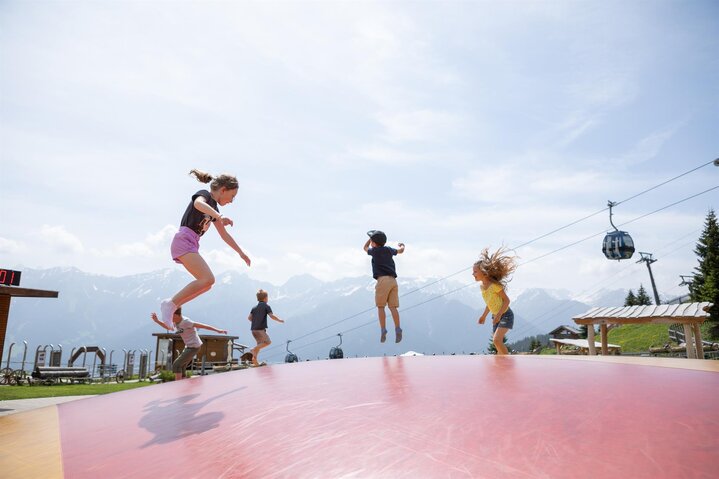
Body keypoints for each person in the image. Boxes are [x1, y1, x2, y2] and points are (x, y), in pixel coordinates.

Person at [158, 169, 251, 328]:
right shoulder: (205, 195)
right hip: (183, 240)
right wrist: (219, 216)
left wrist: (241, 253)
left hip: (192, 243)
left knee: (207, 284)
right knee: (208, 279)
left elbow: (224, 235)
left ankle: (172, 305)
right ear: (223, 190)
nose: (232, 201)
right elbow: (198, 204)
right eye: (232, 196)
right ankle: (170, 304)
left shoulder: (214, 209)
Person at [151, 307, 227, 380]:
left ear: (177, 315)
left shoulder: (186, 322)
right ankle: (184, 384)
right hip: (188, 346)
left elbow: (203, 326)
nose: (171, 319)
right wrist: (157, 321)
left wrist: (218, 330)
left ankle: (178, 385)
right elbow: (168, 327)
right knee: (182, 367)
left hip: (194, 347)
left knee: (176, 365)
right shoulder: (175, 322)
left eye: (172, 317)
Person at [472, 247, 517, 355]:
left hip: (506, 315)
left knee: (496, 340)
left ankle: (507, 365)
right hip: (496, 316)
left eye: (475, 271)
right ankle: (500, 367)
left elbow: (506, 301)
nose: (473, 274)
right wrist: (483, 316)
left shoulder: (494, 286)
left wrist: (498, 315)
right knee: (497, 344)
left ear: (484, 272)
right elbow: (489, 304)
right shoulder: (482, 287)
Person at [363, 230, 405, 343]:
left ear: (374, 242)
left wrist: (370, 239)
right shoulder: (388, 250)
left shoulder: (374, 251)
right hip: (393, 281)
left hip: (382, 280)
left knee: (381, 307)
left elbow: (365, 248)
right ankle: (398, 328)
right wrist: (402, 246)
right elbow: (400, 251)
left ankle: (383, 329)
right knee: (393, 307)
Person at [248, 289, 285, 366]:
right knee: (268, 342)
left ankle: (255, 361)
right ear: (265, 298)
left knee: (259, 344)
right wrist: (279, 320)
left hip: (253, 330)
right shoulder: (266, 306)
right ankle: (253, 349)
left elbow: (249, 318)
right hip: (260, 330)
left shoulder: (254, 307)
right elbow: (271, 316)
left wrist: (255, 321)